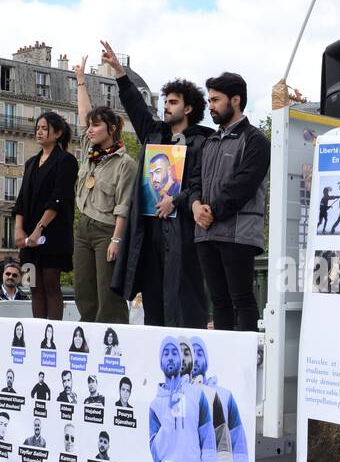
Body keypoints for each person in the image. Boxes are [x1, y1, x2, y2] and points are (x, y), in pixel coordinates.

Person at [98, 46, 211, 329]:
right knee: (153, 295)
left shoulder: (201, 141)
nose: (166, 106)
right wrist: (120, 73)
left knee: (181, 295)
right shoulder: (154, 133)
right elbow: (136, 107)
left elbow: (200, 182)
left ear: (188, 108)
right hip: (150, 229)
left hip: (182, 230)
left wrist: (177, 200)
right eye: (165, 101)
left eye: (173, 102)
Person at [187, 72, 270, 332]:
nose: (210, 105)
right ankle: (224, 360)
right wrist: (195, 207)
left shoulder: (256, 140)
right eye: (209, 99)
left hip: (238, 233)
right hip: (205, 233)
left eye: (215, 99)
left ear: (235, 100)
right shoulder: (209, 141)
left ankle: (247, 362)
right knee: (218, 301)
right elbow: (194, 182)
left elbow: (244, 184)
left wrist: (212, 212)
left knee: (242, 299)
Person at [73, 53, 137, 324]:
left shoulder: (125, 163)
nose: (90, 129)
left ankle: (113, 343)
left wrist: (116, 240)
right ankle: (86, 339)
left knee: (107, 293)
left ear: (111, 128)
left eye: (96, 125)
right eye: (89, 126)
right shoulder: (91, 151)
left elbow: (124, 207)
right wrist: (80, 81)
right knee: (83, 292)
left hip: (107, 230)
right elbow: (84, 114)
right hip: (83, 227)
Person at [13, 111, 78, 320]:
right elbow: (22, 197)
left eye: (44, 128)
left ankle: (53, 335)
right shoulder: (31, 162)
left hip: (52, 234)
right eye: (38, 128)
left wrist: (38, 229)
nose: (39, 132)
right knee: (32, 285)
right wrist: (18, 228)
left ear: (57, 133)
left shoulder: (66, 161)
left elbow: (58, 198)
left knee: (50, 284)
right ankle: (36, 332)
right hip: (28, 238)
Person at [190, 336, 248, 462]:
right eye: (190, 352)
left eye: (199, 352)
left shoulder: (221, 396)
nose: (195, 358)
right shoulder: (175, 395)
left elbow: (235, 451)